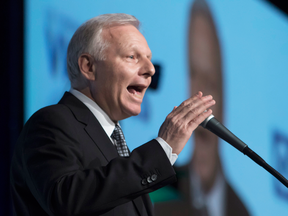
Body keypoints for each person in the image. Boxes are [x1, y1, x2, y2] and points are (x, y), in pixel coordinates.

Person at [10, 13, 216, 216]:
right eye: (132, 57)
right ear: (88, 67)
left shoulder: (116, 142)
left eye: (149, 59)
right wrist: (162, 149)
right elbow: (66, 200)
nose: (151, 69)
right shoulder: (51, 123)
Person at [154, 1, 250, 216]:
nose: (198, 95)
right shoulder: (159, 189)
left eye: (209, 82)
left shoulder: (242, 211)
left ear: (224, 94)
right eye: (192, 75)